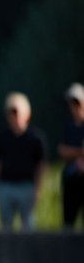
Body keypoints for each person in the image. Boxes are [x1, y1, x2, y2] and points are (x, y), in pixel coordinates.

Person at [0, 92, 46, 231]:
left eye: (16, 112)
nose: (14, 116)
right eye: (11, 112)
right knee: (5, 227)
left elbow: (41, 165)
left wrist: (38, 188)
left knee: (27, 227)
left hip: (26, 186)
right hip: (5, 186)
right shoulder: (2, 138)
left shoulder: (35, 138)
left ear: (27, 113)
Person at [60, 83, 84, 230]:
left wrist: (73, 152)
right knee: (68, 224)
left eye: (78, 103)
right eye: (72, 103)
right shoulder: (68, 126)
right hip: (71, 180)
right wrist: (80, 152)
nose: (75, 107)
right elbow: (62, 151)